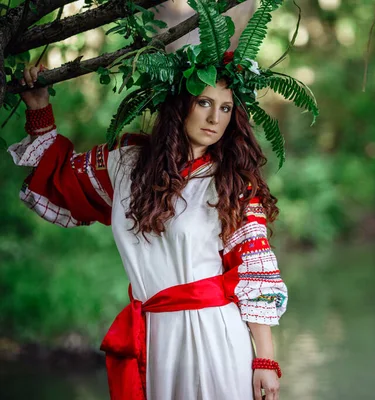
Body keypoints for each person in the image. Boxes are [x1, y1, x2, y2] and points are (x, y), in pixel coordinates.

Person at [9, 63, 287, 400]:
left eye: (225, 108)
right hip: (156, 337)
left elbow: (254, 276)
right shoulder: (126, 165)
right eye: (204, 102)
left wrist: (266, 360)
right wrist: (39, 108)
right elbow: (60, 182)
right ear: (179, 105)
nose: (215, 118)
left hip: (216, 336)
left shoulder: (231, 184)